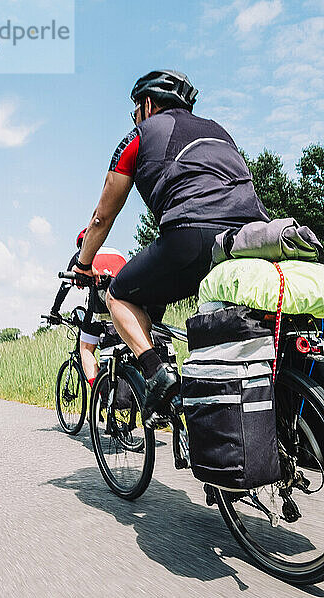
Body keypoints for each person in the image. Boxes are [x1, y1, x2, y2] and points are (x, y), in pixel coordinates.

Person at [73, 69, 270, 427]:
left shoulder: (140, 135)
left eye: (135, 109)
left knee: (119, 296)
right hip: (253, 236)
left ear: (146, 105)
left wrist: (84, 263)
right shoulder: (219, 131)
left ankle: (157, 373)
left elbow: (102, 218)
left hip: (192, 237)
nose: (136, 116)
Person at [50, 228, 126, 387]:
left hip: (101, 306)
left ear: (81, 245)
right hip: (126, 304)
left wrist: (54, 311)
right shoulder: (117, 253)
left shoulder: (81, 256)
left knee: (85, 349)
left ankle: (99, 396)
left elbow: (65, 286)